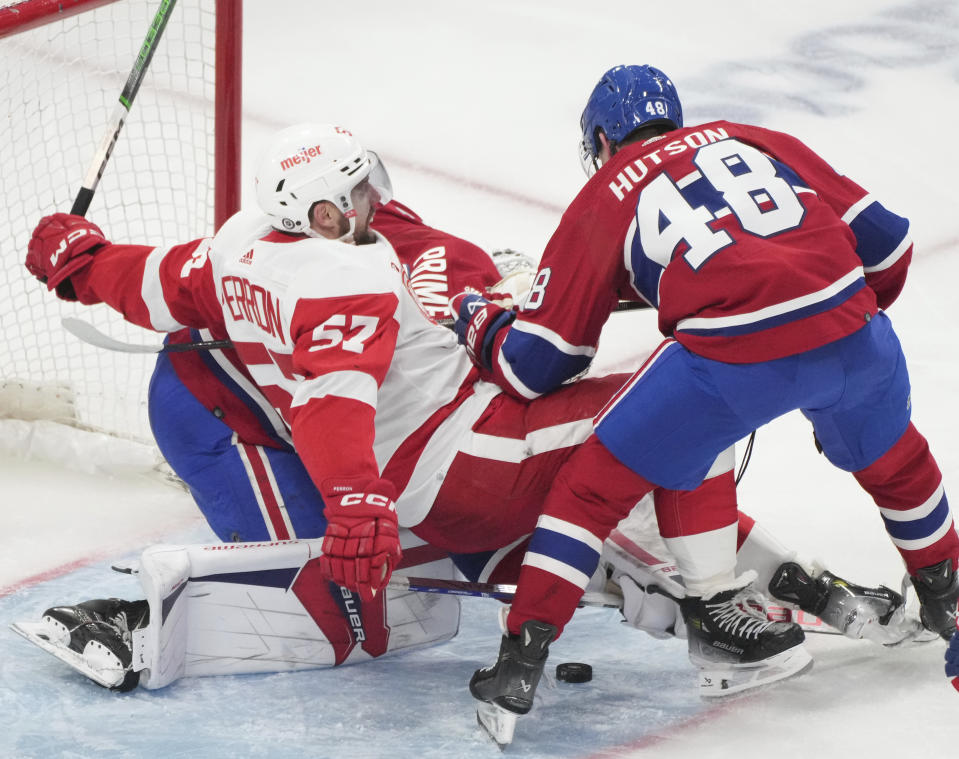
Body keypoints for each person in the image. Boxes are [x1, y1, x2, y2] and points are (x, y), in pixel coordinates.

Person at [20, 124, 921, 738]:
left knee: (574, 493)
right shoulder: (369, 271)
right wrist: (355, 499)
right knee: (674, 414)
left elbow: (155, 279)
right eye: (364, 187)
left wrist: (82, 263)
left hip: (402, 452)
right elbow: (348, 391)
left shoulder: (241, 244)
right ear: (334, 208)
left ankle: (703, 593)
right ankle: (711, 613)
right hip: (329, 438)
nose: (380, 194)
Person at [450, 64, 959, 716]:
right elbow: (889, 244)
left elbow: (537, 365)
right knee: (894, 457)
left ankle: (520, 659)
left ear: (602, 141)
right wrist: (843, 332)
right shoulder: (750, 135)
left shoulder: (606, 191)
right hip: (853, 329)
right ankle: (943, 591)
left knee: (589, 488)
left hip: (729, 360)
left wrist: (478, 321)